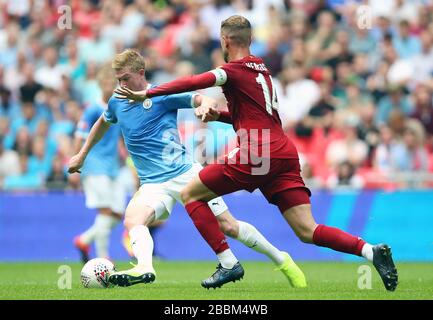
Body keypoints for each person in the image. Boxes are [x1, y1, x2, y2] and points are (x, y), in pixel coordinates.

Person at [115, 16, 398, 291]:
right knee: (307, 230)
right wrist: (220, 117)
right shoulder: (263, 69)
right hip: (283, 151)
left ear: (225, 40)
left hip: (257, 149)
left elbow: (193, 81)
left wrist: (147, 95)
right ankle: (371, 251)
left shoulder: (232, 70)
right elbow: (257, 116)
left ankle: (227, 263)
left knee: (191, 194)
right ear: (251, 39)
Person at [68, 49, 306, 289]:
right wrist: (81, 154)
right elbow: (103, 122)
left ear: (141, 73)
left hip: (184, 173)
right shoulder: (117, 100)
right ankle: (144, 267)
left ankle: (281, 259)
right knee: (133, 220)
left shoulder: (162, 94)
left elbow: (201, 99)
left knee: (229, 226)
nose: (121, 84)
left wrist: (206, 107)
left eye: (125, 78)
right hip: (152, 183)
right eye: (118, 79)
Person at [72, 64, 126, 263]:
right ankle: (104, 258)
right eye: (105, 83)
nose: (109, 87)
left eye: (113, 83)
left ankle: (84, 240)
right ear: (99, 84)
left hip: (113, 167)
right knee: (105, 211)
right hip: (94, 166)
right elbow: (79, 136)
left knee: (118, 213)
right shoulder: (93, 109)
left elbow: (119, 138)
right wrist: (75, 165)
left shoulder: (117, 108)